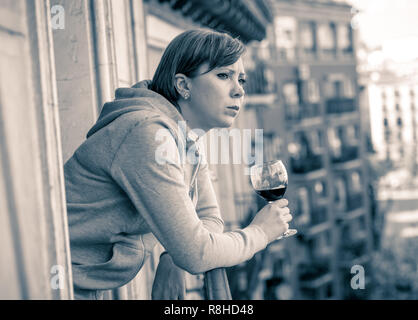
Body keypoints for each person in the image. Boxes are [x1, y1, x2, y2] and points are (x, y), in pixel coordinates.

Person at [64, 28, 292, 300]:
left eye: (240, 79)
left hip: (84, 285)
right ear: (183, 86)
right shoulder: (146, 133)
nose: (239, 90)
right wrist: (260, 233)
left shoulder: (185, 136)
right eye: (223, 75)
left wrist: (174, 256)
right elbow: (197, 254)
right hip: (54, 281)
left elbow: (209, 217)